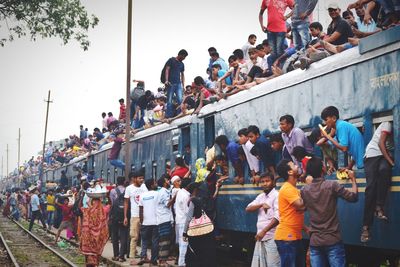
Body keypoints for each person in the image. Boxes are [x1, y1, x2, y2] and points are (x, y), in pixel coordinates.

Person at [301, 157, 358, 267]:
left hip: (315, 242)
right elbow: (353, 197)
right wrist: (353, 179)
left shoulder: (304, 190)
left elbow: (303, 208)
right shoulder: (332, 185)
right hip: (332, 240)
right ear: (323, 168)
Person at [361, 121, 394, 242]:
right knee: (371, 188)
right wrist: (392, 162)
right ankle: (366, 227)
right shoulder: (387, 123)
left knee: (385, 170)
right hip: (373, 154)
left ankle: (379, 206)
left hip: (383, 156)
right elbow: (381, 144)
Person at [274, 159, 306, 267]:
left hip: (294, 236)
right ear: (290, 172)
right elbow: (301, 205)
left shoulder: (293, 189)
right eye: (294, 165)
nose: (297, 166)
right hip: (287, 237)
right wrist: (309, 187)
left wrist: (305, 228)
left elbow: (297, 211)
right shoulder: (287, 189)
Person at [246, 173, 280, 267]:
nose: (265, 184)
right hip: (262, 237)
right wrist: (261, 205)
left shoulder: (277, 196)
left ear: (273, 183)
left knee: (273, 264)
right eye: (262, 182)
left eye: (267, 181)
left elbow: (278, 218)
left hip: (273, 237)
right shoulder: (261, 197)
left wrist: (264, 231)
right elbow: (248, 208)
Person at [123, 170, 147, 262]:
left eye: (142, 178)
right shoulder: (129, 188)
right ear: (135, 179)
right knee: (134, 236)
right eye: (140, 178)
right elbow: (126, 202)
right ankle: (132, 256)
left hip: (145, 215)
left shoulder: (145, 187)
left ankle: (143, 255)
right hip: (134, 215)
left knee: (144, 236)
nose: (142, 180)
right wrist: (125, 216)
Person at [80, 197, 109, 267]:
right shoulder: (101, 212)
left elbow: (80, 207)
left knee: (88, 255)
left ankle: (90, 264)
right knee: (95, 256)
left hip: (89, 239)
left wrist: (86, 199)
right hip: (96, 240)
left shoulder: (89, 211)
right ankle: (95, 264)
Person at [138, 179, 160, 266]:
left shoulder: (142, 195)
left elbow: (141, 209)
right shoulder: (157, 194)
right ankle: (153, 259)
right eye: (155, 183)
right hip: (156, 221)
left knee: (144, 240)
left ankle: (143, 256)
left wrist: (141, 221)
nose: (156, 184)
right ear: (151, 185)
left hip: (145, 222)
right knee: (155, 241)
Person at [163, 49, 188, 118]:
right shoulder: (171, 60)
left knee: (180, 99)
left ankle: (180, 114)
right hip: (171, 83)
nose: (184, 59)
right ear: (180, 55)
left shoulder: (182, 64)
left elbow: (182, 74)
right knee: (169, 100)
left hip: (178, 84)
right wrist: (166, 80)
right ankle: (169, 116)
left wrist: (183, 85)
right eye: (183, 57)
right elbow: (167, 69)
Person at [110, 176, 128, 262]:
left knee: (115, 235)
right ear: (124, 182)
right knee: (124, 235)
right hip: (124, 215)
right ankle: (121, 256)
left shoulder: (113, 191)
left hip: (115, 216)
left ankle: (116, 255)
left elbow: (112, 203)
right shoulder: (127, 190)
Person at [156, 176, 174, 267]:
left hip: (164, 219)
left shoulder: (164, 191)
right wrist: (175, 197)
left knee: (165, 239)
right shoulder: (163, 193)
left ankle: (162, 260)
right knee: (164, 240)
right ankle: (162, 261)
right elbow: (167, 204)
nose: (169, 181)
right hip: (164, 219)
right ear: (164, 183)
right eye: (167, 180)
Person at [175, 178, 192, 267]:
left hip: (179, 220)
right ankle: (182, 263)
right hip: (183, 222)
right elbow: (187, 211)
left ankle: (181, 262)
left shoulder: (180, 193)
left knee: (182, 243)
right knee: (184, 243)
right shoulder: (185, 196)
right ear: (188, 186)